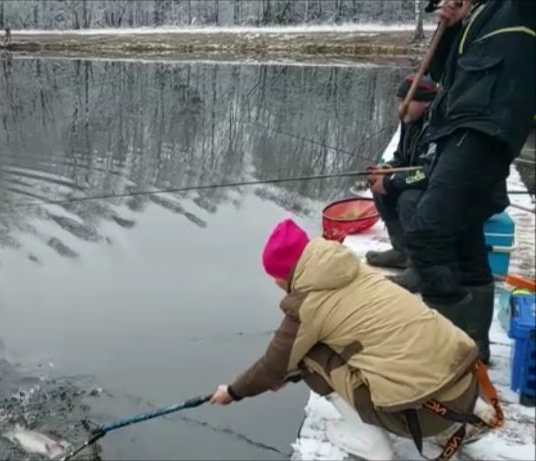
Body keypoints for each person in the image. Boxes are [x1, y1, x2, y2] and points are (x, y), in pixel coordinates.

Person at [210, 218, 504, 461]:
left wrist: (234, 391)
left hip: (422, 416)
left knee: (307, 355)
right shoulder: (352, 269)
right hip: (466, 386)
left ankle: (370, 443)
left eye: (276, 280)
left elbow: (272, 366)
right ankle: (467, 412)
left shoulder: (307, 305)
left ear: (284, 276)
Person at [401, 0, 534, 359]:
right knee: (465, 241)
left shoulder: (519, 10)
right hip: (460, 131)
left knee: (425, 234)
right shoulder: (481, 14)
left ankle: (452, 347)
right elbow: (447, 75)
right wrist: (456, 27)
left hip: (484, 131)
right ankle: (476, 346)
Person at [364, 74, 437, 290]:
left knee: (408, 198)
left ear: (425, 102)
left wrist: (391, 182)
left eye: (406, 101)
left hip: (444, 189)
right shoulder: (410, 120)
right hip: (423, 179)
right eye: (399, 100)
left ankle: (419, 268)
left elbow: (429, 172)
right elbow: (403, 158)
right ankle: (401, 252)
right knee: (380, 187)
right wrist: (387, 170)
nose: (401, 106)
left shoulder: (437, 125)